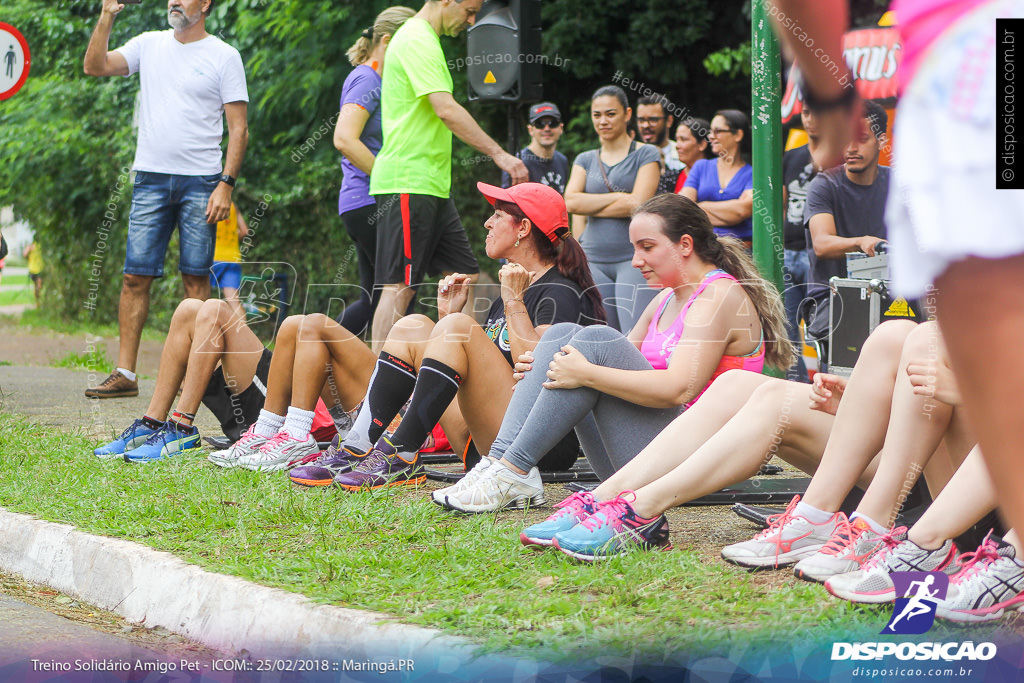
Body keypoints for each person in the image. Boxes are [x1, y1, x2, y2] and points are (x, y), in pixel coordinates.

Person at [436, 193, 792, 514]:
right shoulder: (665, 298)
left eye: (647, 247)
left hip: (701, 464)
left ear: (685, 245)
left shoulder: (719, 297)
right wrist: (548, 363)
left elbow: (678, 389)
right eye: (634, 248)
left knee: (587, 343)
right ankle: (504, 464)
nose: (635, 261)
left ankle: (512, 469)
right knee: (564, 336)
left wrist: (583, 372)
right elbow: (607, 355)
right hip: (649, 458)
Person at [319, 182, 602, 490]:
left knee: (460, 327)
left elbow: (535, 377)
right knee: (413, 324)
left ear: (523, 228)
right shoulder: (514, 291)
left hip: (535, 448)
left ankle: (402, 451)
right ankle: (356, 447)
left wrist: (511, 302)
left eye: (496, 216)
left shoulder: (561, 292)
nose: (487, 224)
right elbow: (476, 372)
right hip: (486, 438)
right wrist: (446, 318)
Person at [83, 0, 248, 399]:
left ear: (205, 4)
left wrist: (225, 185)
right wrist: (107, 14)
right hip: (151, 180)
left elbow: (238, 129)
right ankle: (125, 373)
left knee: (195, 279)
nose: (173, 1)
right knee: (134, 277)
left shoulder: (224, 56)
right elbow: (95, 66)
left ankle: (194, 378)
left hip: (202, 183)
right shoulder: (148, 44)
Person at [368, 0, 528, 352]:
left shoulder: (424, 38)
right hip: (408, 181)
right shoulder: (416, 38)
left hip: (431, 186)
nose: (471, 21)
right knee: (399, 286)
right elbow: (445, 109)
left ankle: (456, 370)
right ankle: (373, 393)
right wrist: (499, 154)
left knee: (464, 277)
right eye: (469, 11)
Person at [93, 298, 270, 462]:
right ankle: (151, 424)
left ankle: (181, 427)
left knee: (215, 310)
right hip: (257, 401)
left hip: (273, 412)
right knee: (188, 310)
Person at [333, 7, 416, 337]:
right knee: (400, 294)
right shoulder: (367, 78)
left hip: (366, 202)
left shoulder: (382, 80)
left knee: (375, 298)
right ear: (388, 40)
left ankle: (319, 363)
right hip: (370, 201)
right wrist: (390, 180)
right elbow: (344, 138)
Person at [565, 85, 661, 332]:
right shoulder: (585, 159)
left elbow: (638, 204)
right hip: (593, 259)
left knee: (636, 334)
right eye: (597, 115)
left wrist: (593, 205)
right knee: (604, 334)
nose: (603, 121)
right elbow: (571, 203)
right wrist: (621, 198)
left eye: (610, 114)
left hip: (634, 258)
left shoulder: (646, 153)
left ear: (627, 114)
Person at [802, 101, 889, 353]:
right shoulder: (824, 184)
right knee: (858, 338)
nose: (851, 148)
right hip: (831, 298)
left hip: (888, 295)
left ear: (882, 141)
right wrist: (862, 242)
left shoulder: (898, 184)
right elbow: (822, 244)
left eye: (862, 139)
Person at [780, 104, 823, 381]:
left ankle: (829, 387)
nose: (810, 118)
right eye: (806, 112)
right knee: (786, 328)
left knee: (824, 326)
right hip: (787, 249)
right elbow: (780, 204)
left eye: (816, 112)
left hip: (818, 253)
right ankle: (794, 392)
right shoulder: (790, 157)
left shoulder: (842, 156)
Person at [680, 109, 754, 243]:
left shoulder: (752, 173)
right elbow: (683, 207)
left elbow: (742, 211)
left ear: (738, 135)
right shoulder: (701, 166)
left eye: (717, 131)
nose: (711, 136)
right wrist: (730, 210)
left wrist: (700, 206)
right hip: (704, 247)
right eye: (710, 131)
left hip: (741, 252)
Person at [500, 102, 570, 194]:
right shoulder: (517, 163)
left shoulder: (562, 160)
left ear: (561, 128)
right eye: (539, 124)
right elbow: (506, 205)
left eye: (553, 123)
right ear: (530, 130)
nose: (547, 128)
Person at [636, 94, 685, 195]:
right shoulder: (630, 156)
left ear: (669, 121)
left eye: (653, 120)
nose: (645, 125)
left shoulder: (684, 156)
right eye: (641, 120)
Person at [209, 202, 248, 318]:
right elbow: (245, 231)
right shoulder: (233, 206)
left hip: (214, 257)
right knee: (234, 302)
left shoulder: (209, 202)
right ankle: (243, 334)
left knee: (201, 296)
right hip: (233, 259)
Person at [671, 117, 712, 192]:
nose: (677, 145)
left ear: (702, 144)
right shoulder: (671, 178)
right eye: (677, 139)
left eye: (683, 139)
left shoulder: (717, 176)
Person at [23, 241, 43, 308]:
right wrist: (28, 250)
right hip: (33, 270)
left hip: (40, 269)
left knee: (39, 285)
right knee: (36, 286)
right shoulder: (30, 246)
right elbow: (25, 255)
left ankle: (39, 300)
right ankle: (37, 301)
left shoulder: (41, 246)